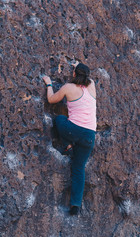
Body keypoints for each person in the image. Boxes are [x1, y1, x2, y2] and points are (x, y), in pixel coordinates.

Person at [43, 61, 96, 216]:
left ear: (74, 73)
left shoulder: (68, 88)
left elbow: (51, 99)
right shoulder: (92, 85)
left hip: (73, 131)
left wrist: (48, 84)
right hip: (89, 136)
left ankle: (67, 145)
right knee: (79, 169)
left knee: (59, 119)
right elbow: (84, 75)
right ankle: (75, 206)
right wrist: (78, 65)